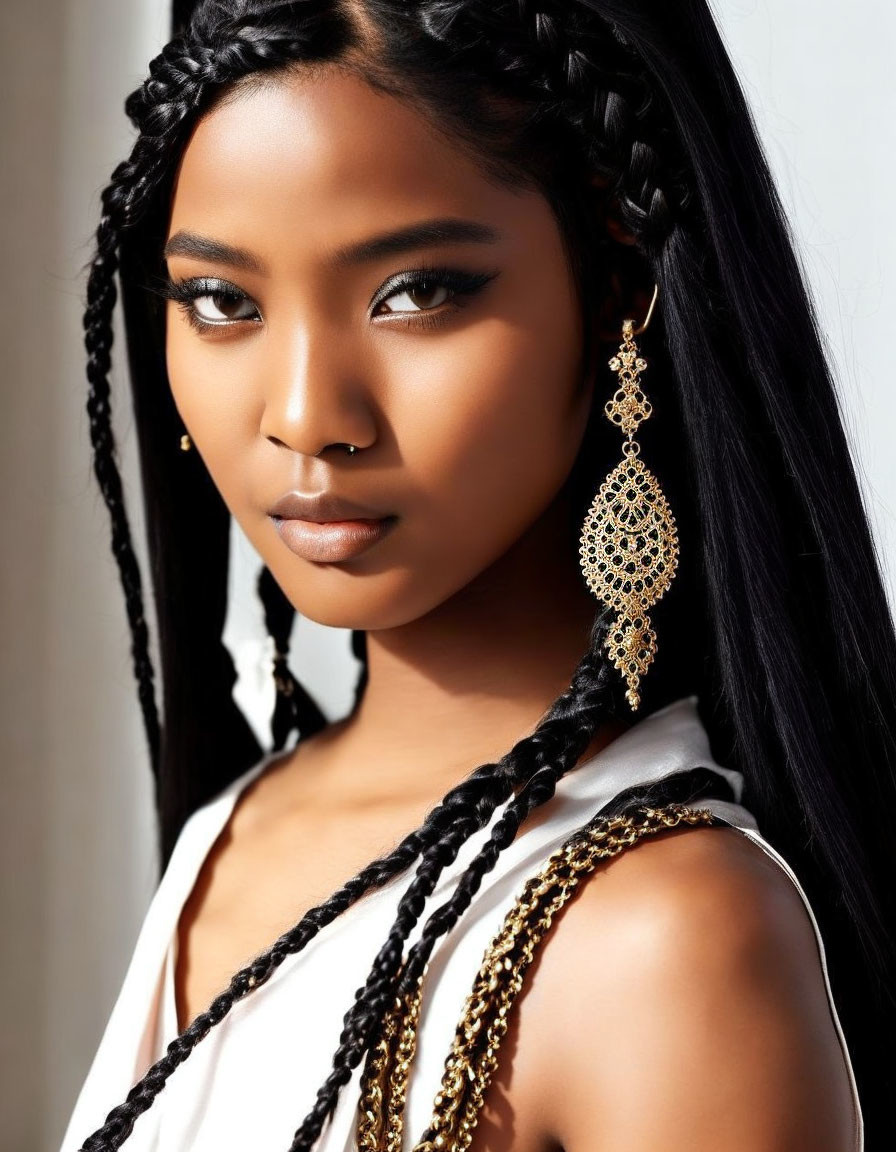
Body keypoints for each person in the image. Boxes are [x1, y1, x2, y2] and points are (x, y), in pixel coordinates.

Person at [61, 1, 895, 1149]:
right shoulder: (231, 833)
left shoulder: (667, 939)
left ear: (617, 289)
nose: (307, 417)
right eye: (224, 302)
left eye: (416, 292)